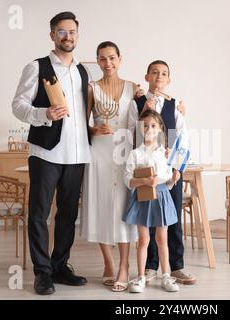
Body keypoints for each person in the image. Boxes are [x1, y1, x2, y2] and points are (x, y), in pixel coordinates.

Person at [12, 12, 90, 295]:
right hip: (45, 152)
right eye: (61, 32)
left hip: (78, 154)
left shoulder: (83, 71)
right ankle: (42, 273)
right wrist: (43, 113)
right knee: (39, 215)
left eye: (72, 32)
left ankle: (60, 266)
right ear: (52, 35)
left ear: (77, 35)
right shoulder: (37, 66)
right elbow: (18, 105)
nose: (68, 36)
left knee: (68, 216)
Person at [81, 41, 144, 292]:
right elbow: (81, 124)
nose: (108, 63)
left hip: (125, 151)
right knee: (101, 204)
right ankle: (108, 263)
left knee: (122, 207)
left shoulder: (132, 89)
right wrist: (93, 128)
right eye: (102, 59)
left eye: (112, 58)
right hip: (99, 151)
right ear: (97, 61)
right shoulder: (91, 88)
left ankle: (124, 267)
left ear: (120, 59)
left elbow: (140, 124)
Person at [128, 60, 197, 285]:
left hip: (169, 174)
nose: (159, 76)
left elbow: (181, 138)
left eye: (164, 73)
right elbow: (130, 135)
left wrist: (176, 167)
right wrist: (145, 108)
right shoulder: (136, 102)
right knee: (147, 219)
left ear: (169, 80)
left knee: (171, 217)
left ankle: (176, 267)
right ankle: (149, 267)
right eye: (155, 72)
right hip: (144, 172)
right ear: (147, 76)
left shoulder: (174, 106)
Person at [123, 110, 181, 293]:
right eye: (145, 125)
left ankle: (166, 276)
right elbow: (128, 180)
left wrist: (173, 178)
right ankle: (140, 277)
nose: (149, 129)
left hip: (161, 197)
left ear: (160, 129)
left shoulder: (165, 153)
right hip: (143, 198)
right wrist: (145, 182)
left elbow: (167, 180)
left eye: (153, 125)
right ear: (140, 128)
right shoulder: (134, 154)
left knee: (162, 238)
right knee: (143, 239)